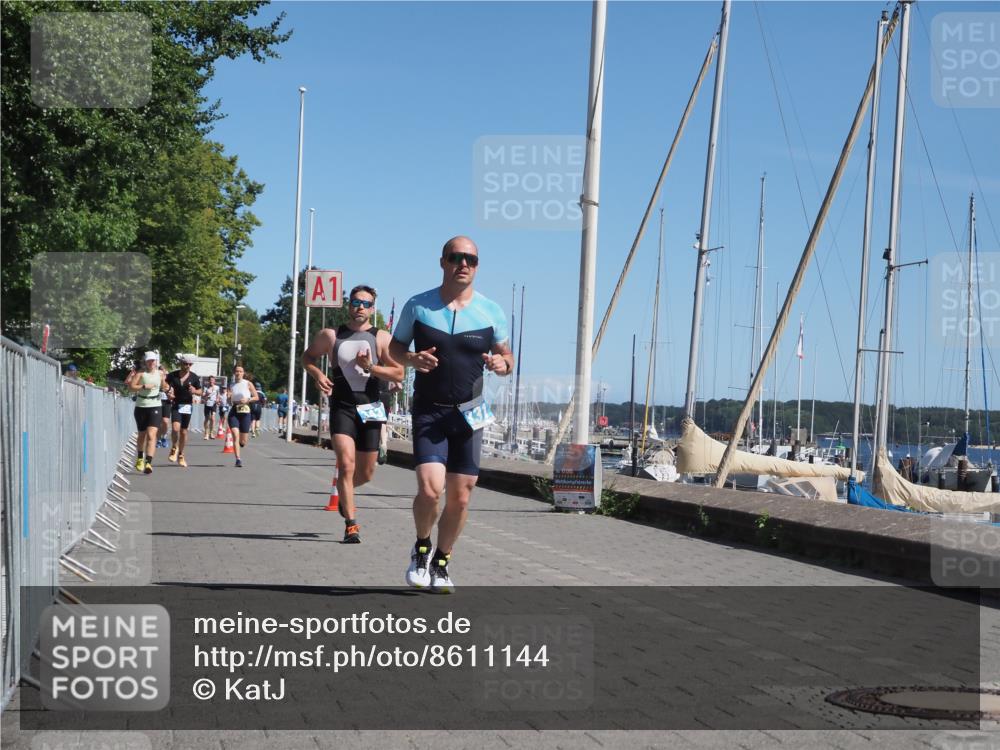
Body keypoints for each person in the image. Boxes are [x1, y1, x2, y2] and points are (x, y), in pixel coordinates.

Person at [389, 237, 513, 592]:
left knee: (461, 496)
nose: (464, 263)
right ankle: (421, 547)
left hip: (470, 415)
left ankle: (442, 562)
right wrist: (411, 359)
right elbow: (396, 348)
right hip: (429, 411)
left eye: (471, 259)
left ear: (477, 265)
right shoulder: (418, 306)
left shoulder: (491, 312)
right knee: (430, 491)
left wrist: (502, 363)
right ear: (442, 262)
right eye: (456, 257)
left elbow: (507, 358)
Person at [303, 285, 404, 544]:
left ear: (373, 309)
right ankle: (351, 524)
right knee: (346, 465)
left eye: (366, 303)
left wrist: (371, 367)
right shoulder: (331, 335)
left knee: (366, 473)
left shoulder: (381, 338)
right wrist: (318, 374)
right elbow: (308, 358)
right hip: (343, 407)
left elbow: (399, 373)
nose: (360, 307)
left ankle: (344, 492)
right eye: (356, 302)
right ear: (349, 305)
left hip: (370, 407)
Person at [126, 352, 167, 474]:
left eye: (153, 360)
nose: (151, 363)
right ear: (145, 362)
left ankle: (148, 462)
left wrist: (165, 384)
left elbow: (164, 386)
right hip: (141, 406)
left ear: (156, 361)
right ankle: (140, 457)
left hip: (155, 405)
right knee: (142, 435)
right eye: (149, 361)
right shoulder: (140, 374)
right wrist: (144, 386)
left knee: (151, 435)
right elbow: (131, 387)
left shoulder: (160, 373)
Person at [166, 355, 203, 468]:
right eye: (185, 364)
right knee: (176, 428)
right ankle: (174, 447)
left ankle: (181, 455)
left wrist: (195, 391)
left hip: (187, 405)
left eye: (189, 364)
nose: (187, 366)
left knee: (184, 432)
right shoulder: (173, 375)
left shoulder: (194, 377)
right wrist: (169, 393)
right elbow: (166, 386)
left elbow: (201, 391)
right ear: (181, 363)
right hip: (176, 404)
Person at [226, 364, 259, 468]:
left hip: (245, 411)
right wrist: (228, 397)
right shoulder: (231, 385)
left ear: (243, 373)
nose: (238, 373)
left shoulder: (248, 384)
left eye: (240, 371)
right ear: (234, 373)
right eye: (237, 371)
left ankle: (241, 444)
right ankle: (238, 459)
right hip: (234, 411)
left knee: (243, 441)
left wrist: (247, 400)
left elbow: (256, 397)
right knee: (235, 435)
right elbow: (228, 400)